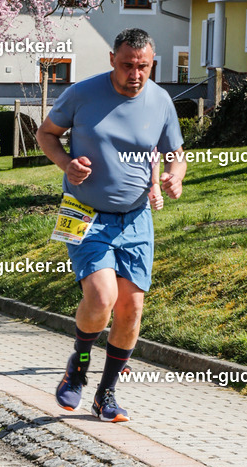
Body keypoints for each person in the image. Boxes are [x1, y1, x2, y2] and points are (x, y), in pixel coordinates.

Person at [36, 28, 186, 422]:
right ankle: (79, 365)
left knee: (131, 308)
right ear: (111, 60)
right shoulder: (81, 94)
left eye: (143, 66)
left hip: (136, 219)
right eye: (127, 65)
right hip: (83, 213)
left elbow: (176, 153)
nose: (135, 74)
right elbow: (46, 134)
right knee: (101, 299)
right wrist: (66, 163)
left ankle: (107, 393)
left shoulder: (160, 100)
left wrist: (175, 175)